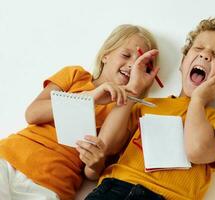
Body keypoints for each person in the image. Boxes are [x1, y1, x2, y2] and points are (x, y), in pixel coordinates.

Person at [83, 17, 215, 200]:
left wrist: (198, 101)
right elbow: (107, 145)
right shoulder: (147, 106)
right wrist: (132, 91)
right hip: (113, 189)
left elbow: (197, 151)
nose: (204, 55)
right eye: (199, 49)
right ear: (183, 61)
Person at [0, 24, 159, 200]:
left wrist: (132, 91)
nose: (131, 65)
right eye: (126, 55)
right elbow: (32, 114)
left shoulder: (129, 111)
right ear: (106, 55)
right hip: (8, 157)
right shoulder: (75, 75)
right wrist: (91, 98)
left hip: (51, 185)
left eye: (140, 64)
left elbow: (97, 163)